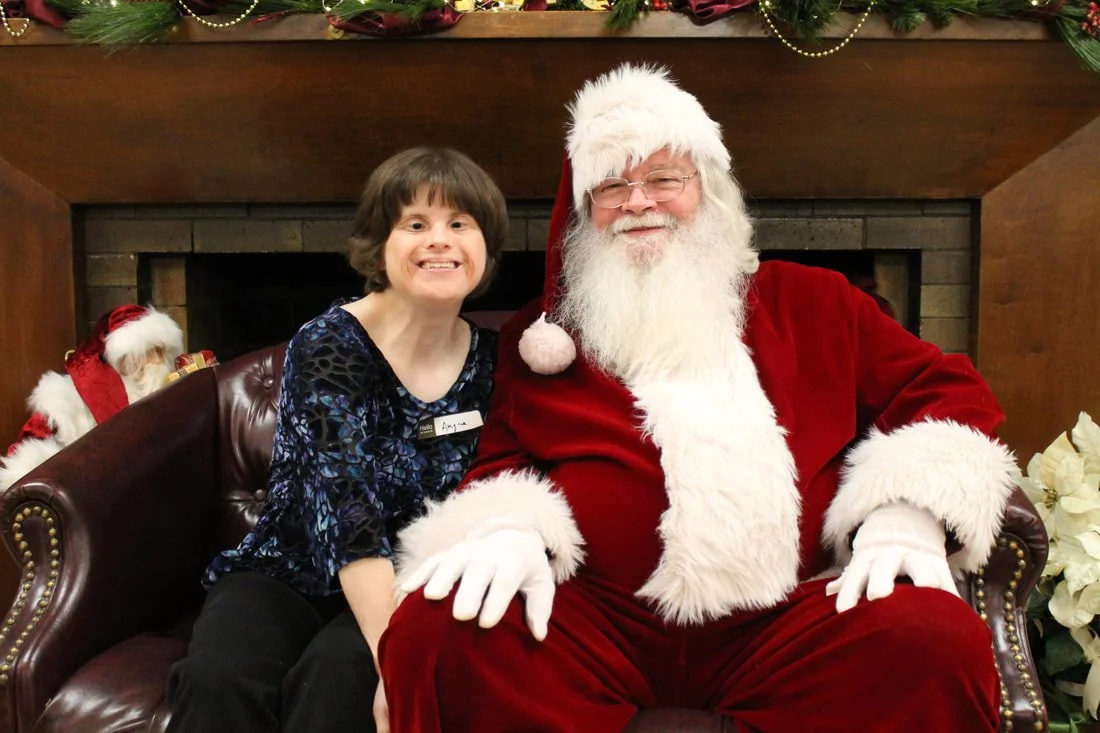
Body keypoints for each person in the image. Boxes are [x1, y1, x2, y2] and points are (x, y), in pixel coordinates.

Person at [380, 65, 1019, 732]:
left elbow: (946, 388)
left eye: (662, 179)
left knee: (934, 639)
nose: (638, 202)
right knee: (438, 628)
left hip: (788, 622)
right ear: (584, 214)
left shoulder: (816, 300)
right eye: (612, 186)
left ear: (706, 191)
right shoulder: (544, 337)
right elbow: (504, 461)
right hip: (598, 624)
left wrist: (906, 511)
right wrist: (508, 528)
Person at [164, 146, 507, 733]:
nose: (440, 241)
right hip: (288, 569)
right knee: (217, 679)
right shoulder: (328, 346)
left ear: (486, 247)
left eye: (460, 224)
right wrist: (395, 659)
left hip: (413, 576)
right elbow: (348, 511)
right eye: (416, 224)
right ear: (380, 245)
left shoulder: (493, 365)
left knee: (339, 683)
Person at [1, 304, 183, 491]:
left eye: (161, 351)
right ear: (123, 357)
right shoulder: (69, 397)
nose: (158, 360)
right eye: (148, 351)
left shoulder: (169, 388)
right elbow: (29, 446)